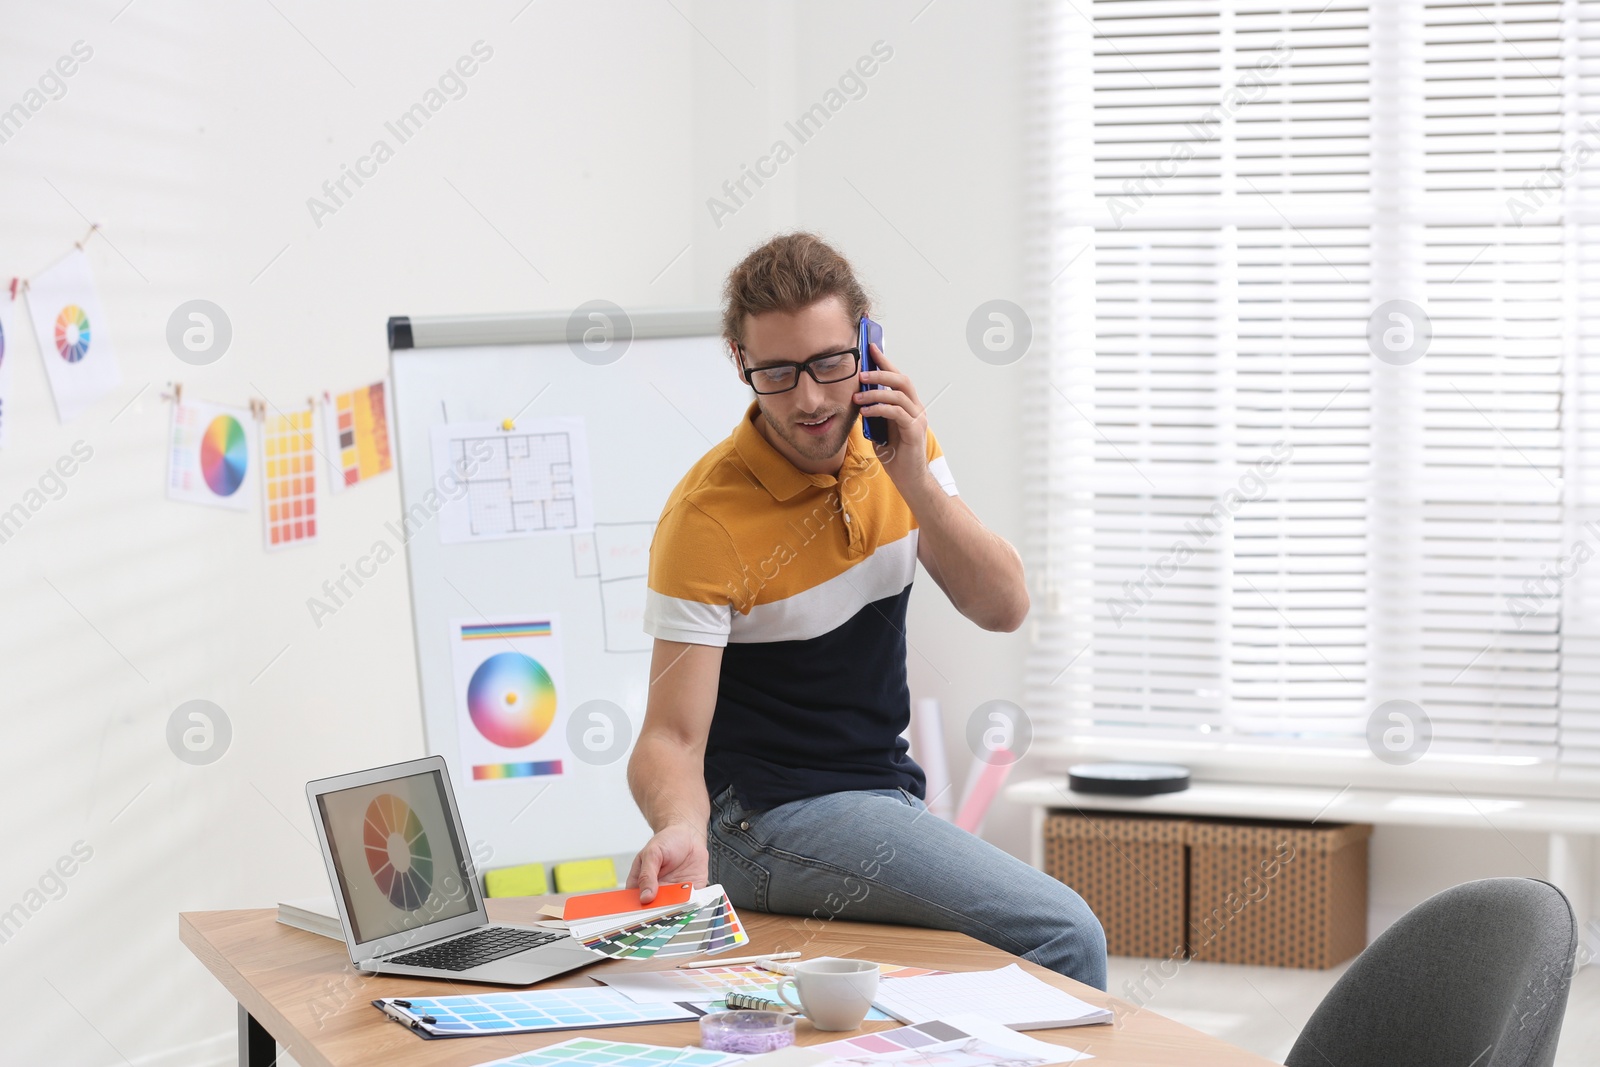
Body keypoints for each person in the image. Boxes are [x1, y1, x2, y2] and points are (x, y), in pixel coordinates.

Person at [624, 232, 1106, 989]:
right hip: (767, 820)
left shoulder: (897, 445)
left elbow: (1003, 605)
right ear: (737, 358)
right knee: (1064, 935)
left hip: (881, 796)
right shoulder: (704, 520)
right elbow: (670, 737)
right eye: (777, 373)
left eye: (827, 363)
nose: (810, 399)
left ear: (866, 339)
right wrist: (680, 828)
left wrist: (916, 481)